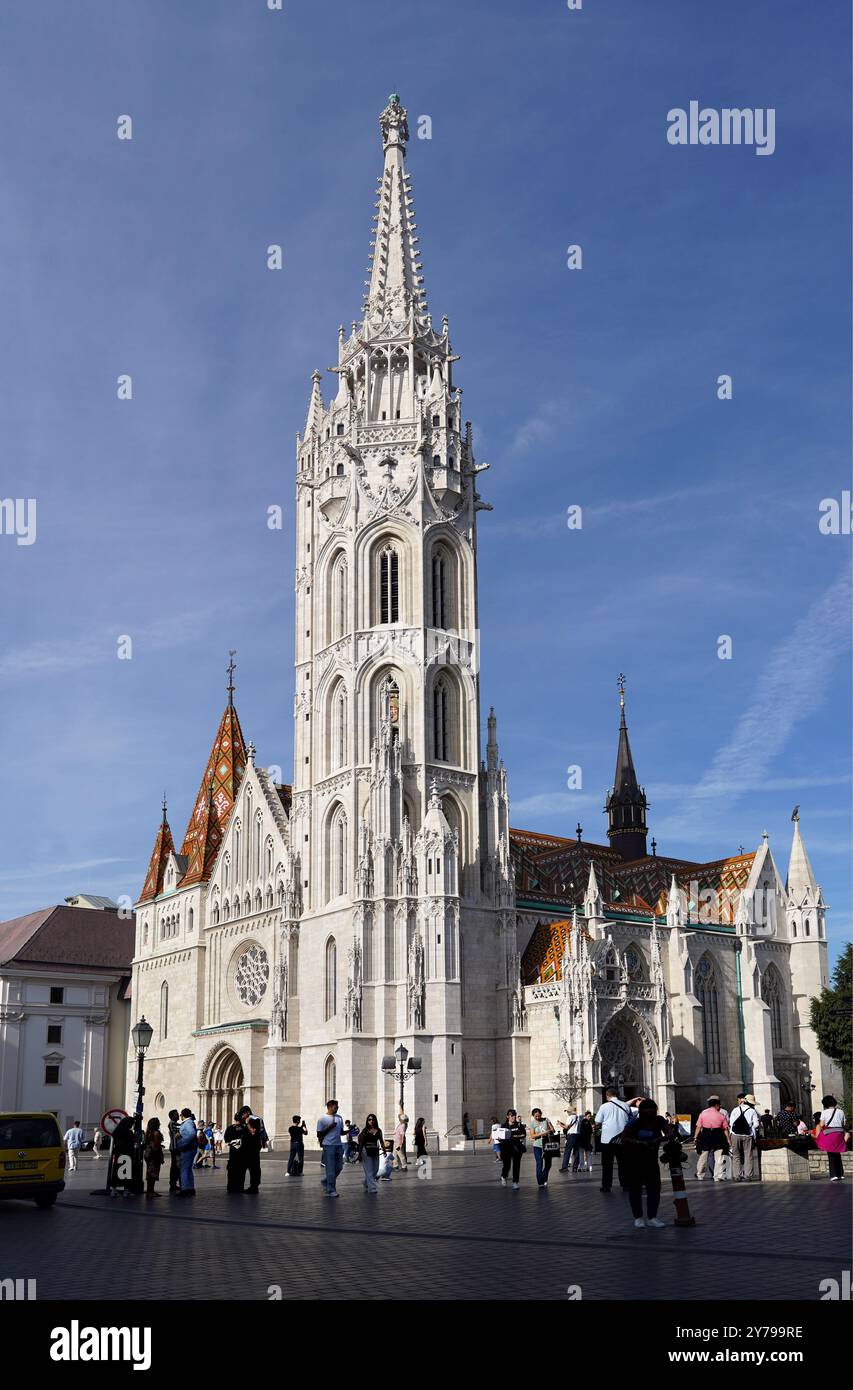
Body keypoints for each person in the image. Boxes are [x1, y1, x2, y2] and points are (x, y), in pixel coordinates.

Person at [620, 1099, 671, 1228]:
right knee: (635, 1189)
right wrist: (639, 1143)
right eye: (646, 1108)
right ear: (641, 1111)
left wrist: (658, 1139)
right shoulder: (635, 1122)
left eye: (651, 1108)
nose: (649, 1111)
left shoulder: (659, 1120)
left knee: (654, 1188)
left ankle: (652, 1217)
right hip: (635, 1159)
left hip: (651, 1159)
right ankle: (638, 1218)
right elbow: (624, 1137)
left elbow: (670, 1133)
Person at [595, 1089, 632, 1192]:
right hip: (622, 1138)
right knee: (623, 1163)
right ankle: (625, 1185)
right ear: (617, 1095)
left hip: (607, 1139)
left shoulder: (604, 1106)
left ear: (607, 1096)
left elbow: (597, 1121)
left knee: (607, 1164)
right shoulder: (625, 1105)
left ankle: (606, 1186)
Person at [694, 1096, 730, 1182]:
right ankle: (717, 1176)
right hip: (718, 1135)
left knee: (703, 1156)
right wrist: (728, 1139)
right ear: (717, 1105)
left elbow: (698, 1127)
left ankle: (700, 1174)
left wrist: (695, 1137)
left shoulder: (703, 1113)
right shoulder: (721, 1115)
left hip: (706, 1135)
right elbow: (725, 1129)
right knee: (719, 1157)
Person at [816, 1095, 849, 1181]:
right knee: (837, 1153)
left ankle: (834, 1174)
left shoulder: (824, 1112)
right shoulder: (841, 1112)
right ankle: (840, 1174)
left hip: (830, 1134)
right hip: (839, 1133)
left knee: (831, 1154)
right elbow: (844, 1124)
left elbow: (822, 1124)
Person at [729, 1093, 761, 1181]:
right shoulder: (752, 1111)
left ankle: (737, 1176)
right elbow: (756, 1124)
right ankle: (748, 1176)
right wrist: (749, 1127)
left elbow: (731, 1124)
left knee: (736, 1156)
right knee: (748, 1155)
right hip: (748, 1135)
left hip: (735, 1135)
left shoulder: (735, 1110)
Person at [317, 1099, 345, 1197]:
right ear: (329, 1107)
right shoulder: (322, 1119)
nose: (337, 1108)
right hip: (328, 1146)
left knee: (339, 1167)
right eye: (335, 1107)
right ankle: (331, 1190)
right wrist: (329, 1127)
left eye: (337, 1107)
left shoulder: (339, 1118)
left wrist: (349, 1131)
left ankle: (326, 1181)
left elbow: (341, 1132)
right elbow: (319, 1134)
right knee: (330, 1169)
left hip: (338, 1145)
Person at [357, 1113, 387, 1194]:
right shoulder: (365, 1130)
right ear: (367, 1121)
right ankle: (372, 1188)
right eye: (369, 1119)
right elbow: (361, 1142)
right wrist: (359, 1154)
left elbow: (381, 1140)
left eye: (373, 1119)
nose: (371, 1121)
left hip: (375, 1150)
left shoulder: (378, 1130)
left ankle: (366, 1183)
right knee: (369, 1170)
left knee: (375, 1169)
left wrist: (384, 1150)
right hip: (366, 1151)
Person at [498, 1109, 526, 1189]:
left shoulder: (519, 1125)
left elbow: (523, 1134)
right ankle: (504, 1176)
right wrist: (500, 1139)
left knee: (516, 1165)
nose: (513, 1117)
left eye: (514, 1115)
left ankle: (515, 1182)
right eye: (511, 1116)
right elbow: (500, 1137)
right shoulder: (503, 1126)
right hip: (506, 1148)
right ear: (508, 1116)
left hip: (516, 1148)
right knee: (507, 1165)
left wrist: (516, 1136)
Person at [108, 1116, 136, 1198]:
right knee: (126, 1173)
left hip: (118, 1154)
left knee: (116, 1172)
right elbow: (132, 1142)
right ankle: (126, 1191)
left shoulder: (117, 1131)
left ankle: (113, 1190)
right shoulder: (129, 1133)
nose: (132, 1126)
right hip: (127, 1154)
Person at [529, 1108, 556, 1188]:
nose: (537, 1117)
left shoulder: (546, 1120)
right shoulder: (532, 1123)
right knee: (539, 1163)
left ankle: (544, 1178)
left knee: (548, 1164)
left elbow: (553, 1130)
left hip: (547, 1145)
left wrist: (549, 1131)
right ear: (533, 1116)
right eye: (535, 1116)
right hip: (537, 1146)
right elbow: (532, 1136)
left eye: (539, 1115)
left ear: (541, 1114)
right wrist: (542, 1134)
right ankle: (540, 1182)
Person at [239, 1106, 263, 1193]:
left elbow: (253, 1132)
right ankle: (242, 1186)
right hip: (246, 1148)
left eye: (243, 1114)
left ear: (247, 1112)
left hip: (253, 1148)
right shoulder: (246, 1120)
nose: (242, 1116)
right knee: (244, 1167)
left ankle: (254, 1187)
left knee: (254, 1168)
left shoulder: (254, 1120)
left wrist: (247, 1123)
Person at [224, 1111, 247, 1193]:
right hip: (242, 1152)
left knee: (232, 1170)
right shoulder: (245, 1128)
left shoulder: (230, 1128)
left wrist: (233, 1143)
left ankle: (230, 1187)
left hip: (233, 1152)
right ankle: (240, 1187)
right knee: (241, 1170)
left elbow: (226, 1140)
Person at [176, 1108, 197, 1197]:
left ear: (182, 1115)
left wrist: (182, 1142)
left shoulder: (187, 1123)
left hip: (187, 1149)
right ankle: (190, 1188)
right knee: (188, 1169)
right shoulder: (190, 1122)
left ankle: (184, 1189)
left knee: (184, 1169)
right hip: (190, 1148)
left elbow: (192, 1134)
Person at [143, 1117, 164, 1198]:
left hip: (148, 1153)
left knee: (149, 1172)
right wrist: (160, 1156)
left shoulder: (148, 1132)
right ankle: (150, 1191)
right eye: (158, 1122)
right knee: (153, 1172)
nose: (159, 1124)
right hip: (154, 1154)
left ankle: (150, 1190)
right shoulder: (156, 1133)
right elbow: (156, 1145)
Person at [559, 1108, 581, 1173]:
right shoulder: (578, 1117)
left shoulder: (570, 1117)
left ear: (570, 1112)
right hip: (577, 1135)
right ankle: (575, 1168)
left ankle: (564, 1167)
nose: (567, 1113)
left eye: (568, 1111)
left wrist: (560, 1124)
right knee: (576, 1152)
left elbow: (566, 1127)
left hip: (571, 1135)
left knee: (567, 1151)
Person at [167, 1109, 182, 1193]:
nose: (178, 1116)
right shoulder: (172, 1124)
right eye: (176, 1114)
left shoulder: (176, 1124)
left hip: (176, 1148)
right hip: (175, 1148)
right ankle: (172, 1184)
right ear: (172, 1116)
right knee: (175, 1166)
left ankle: (174, 1183)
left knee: (176, 1166)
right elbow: (178, 1129)